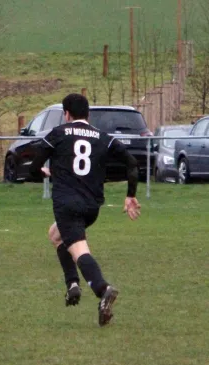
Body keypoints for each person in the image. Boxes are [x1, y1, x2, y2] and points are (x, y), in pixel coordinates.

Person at [29, 93, 141, 327]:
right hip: (91, 206)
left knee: (79, 250)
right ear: (88, 114)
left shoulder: (58, 133)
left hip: (67, 205)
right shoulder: (103, 137)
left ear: (66, 114)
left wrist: (44, 172)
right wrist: (130, 194)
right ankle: (72, 285)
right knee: (55, 235)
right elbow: (132, 163)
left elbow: (35, 165)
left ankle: (103, 289)